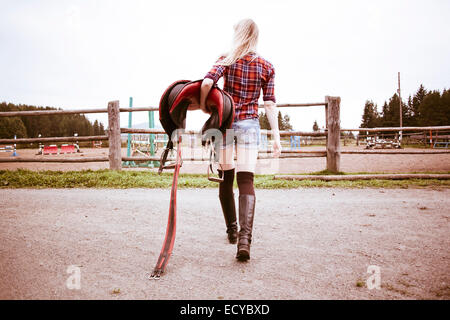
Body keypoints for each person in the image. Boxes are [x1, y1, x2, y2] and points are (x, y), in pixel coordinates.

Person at [199, 19, 281, 261]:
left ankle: (232, 231)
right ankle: (244, 242)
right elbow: (270, 103)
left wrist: (205, 106)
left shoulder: (227, 58)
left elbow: (206, 83)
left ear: (239, 34)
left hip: (225, 125)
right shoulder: (267, 66)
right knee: (247, 180)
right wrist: (276, 135)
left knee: (226, 177)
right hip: (249, 125)